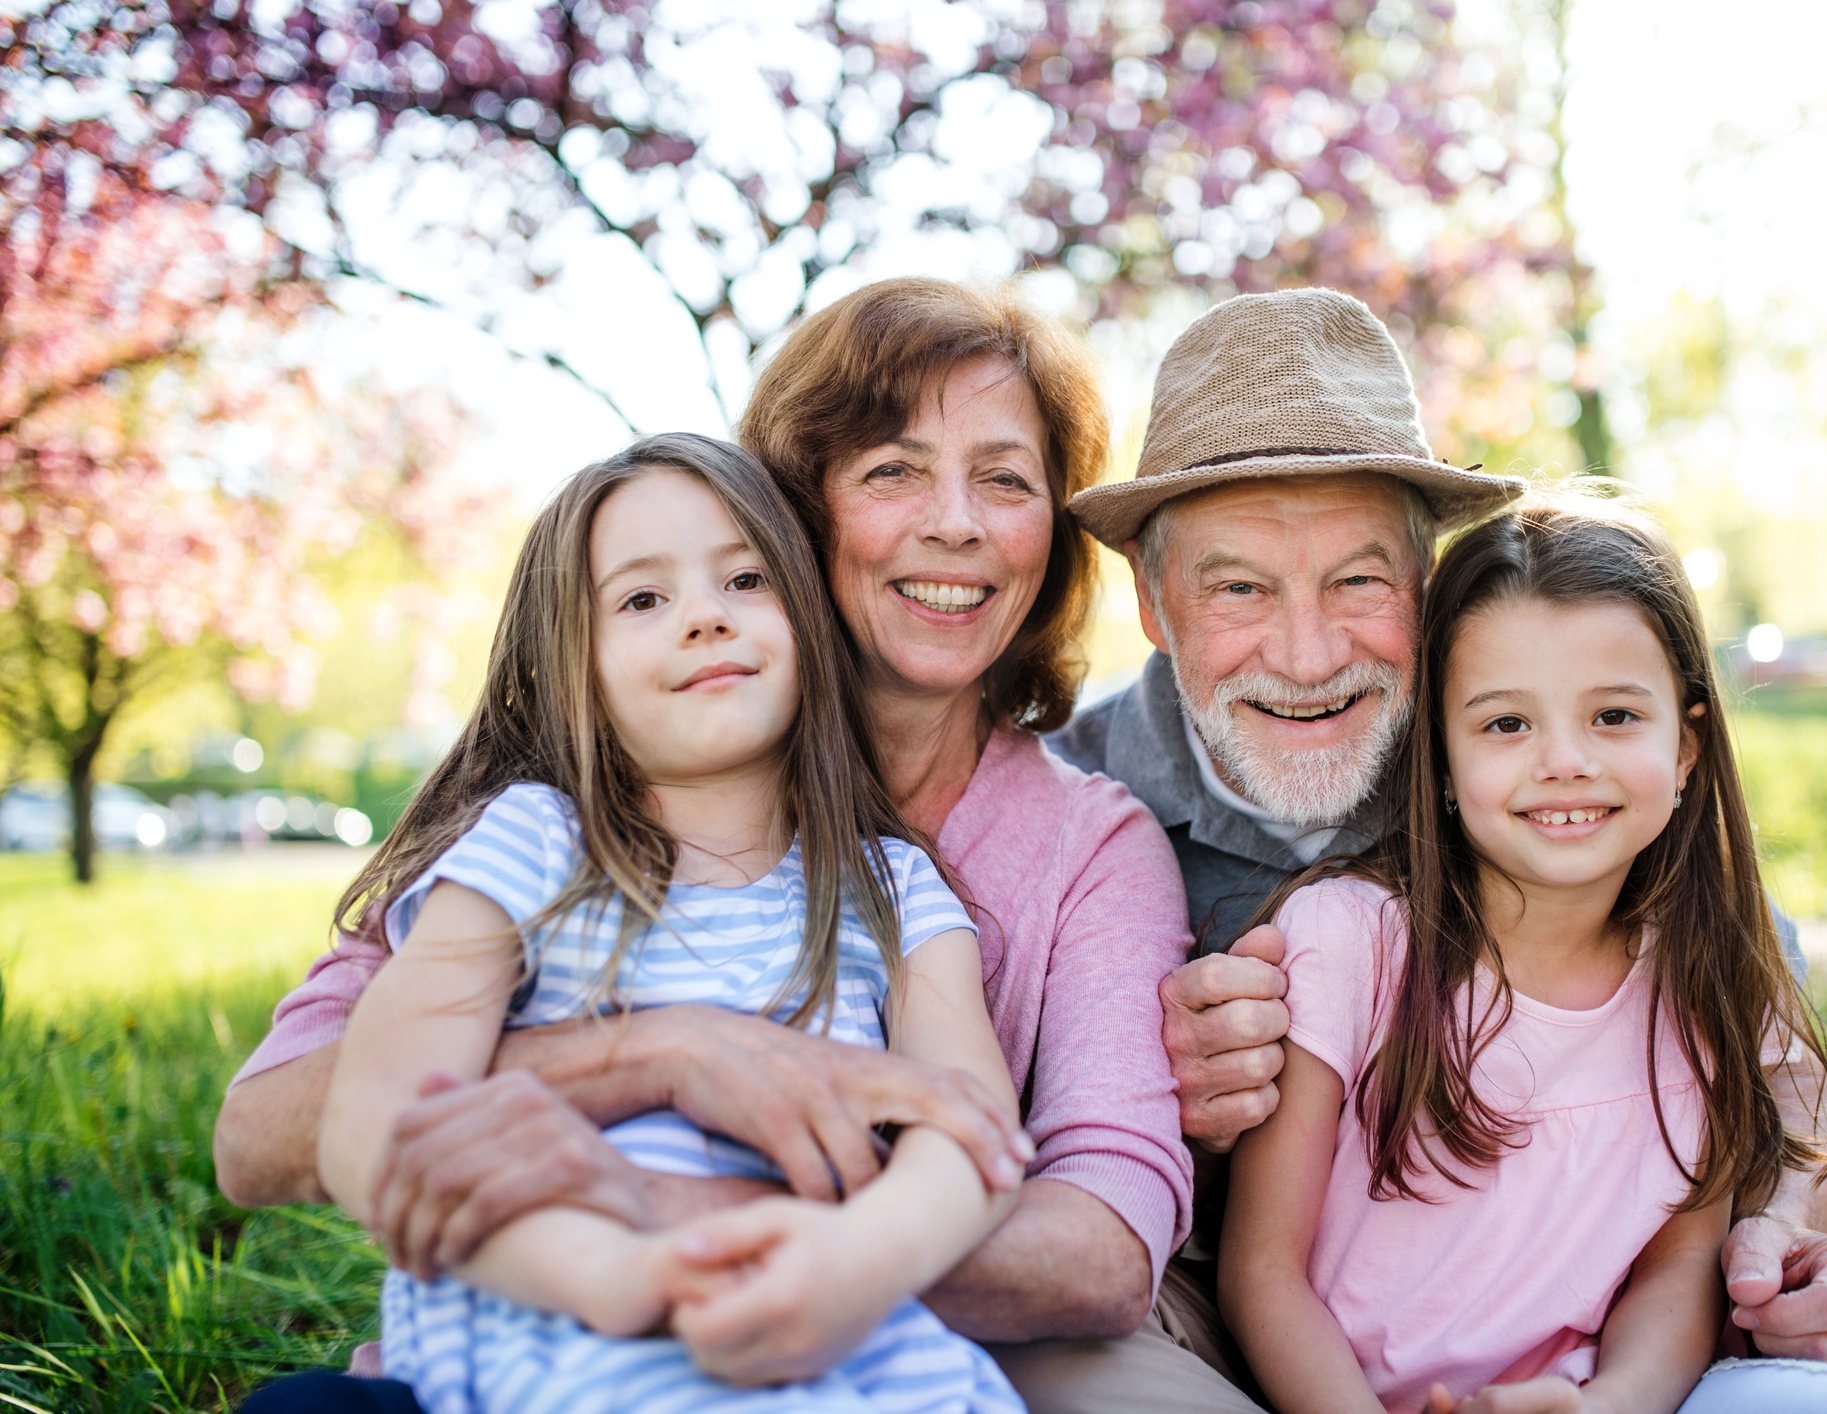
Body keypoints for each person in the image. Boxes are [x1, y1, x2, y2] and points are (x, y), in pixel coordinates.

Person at [220, 280, 1216, 1412]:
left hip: (855, 1356)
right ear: (801, 516)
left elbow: (1076, 1227)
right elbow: (273, 1133)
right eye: (893, 468)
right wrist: (663, 1055)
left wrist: (709, 1235)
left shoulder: (949, 877)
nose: (959, 522)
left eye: (1006, 477)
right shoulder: (536, 830)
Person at [1050, 289, 1827, 1391]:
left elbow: (1766, 1051)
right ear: (1155, 606)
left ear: (1427, 583)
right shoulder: (1069, 810)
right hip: (1211, 1302)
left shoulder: (1511, 753)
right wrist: (1150, 1094)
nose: (1308, 657)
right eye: (1241, 588)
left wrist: (1780, 1244)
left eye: (1359, 580)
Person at [1217, 494, 1827, 1414]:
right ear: (1438, 759)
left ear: (1685, 746)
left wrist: (1611, 1409)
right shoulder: (1349, 940)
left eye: (1612, 717)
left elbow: (1675, 1269)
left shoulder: (1700, 970)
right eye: (1505, 725)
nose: (1564, 761)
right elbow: (1261, 1271)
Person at [313, 433, 1034, 1414]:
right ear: (574, 662)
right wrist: (616, 1275)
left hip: (843, 1342)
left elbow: (974, 1130)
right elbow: (372, 1124)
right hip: (565, 1334)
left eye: (744, 579)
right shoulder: (529, 847)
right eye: (642, 599)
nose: (703, 617)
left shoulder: (894, 888)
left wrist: (862, 1260)